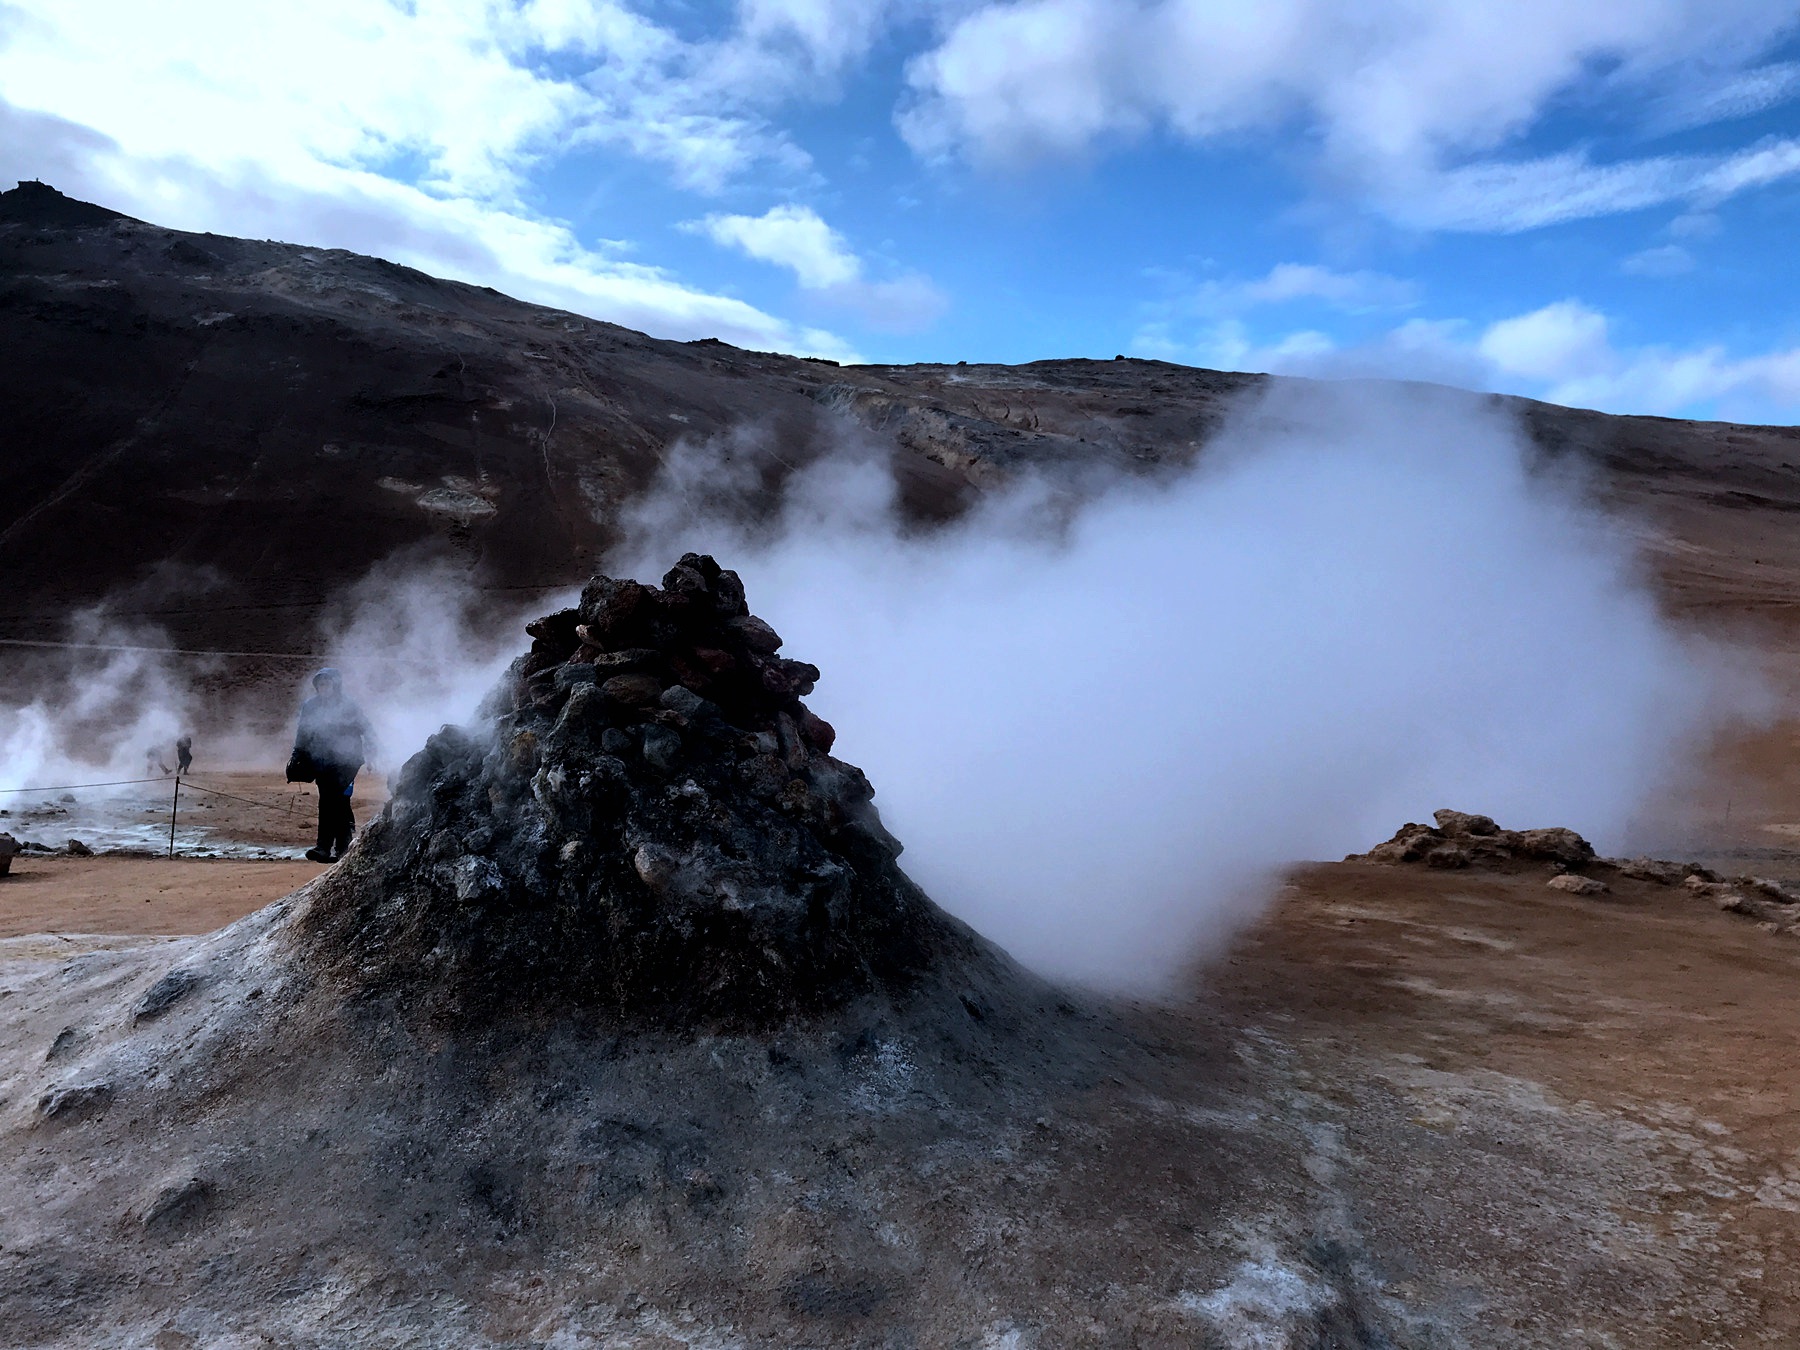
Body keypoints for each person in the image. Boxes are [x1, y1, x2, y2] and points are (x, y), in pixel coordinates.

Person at [292, 668, 372, 864]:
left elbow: (366, 728)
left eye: (327, 684)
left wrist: (374, 752)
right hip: (321, 760)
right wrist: (296, 755)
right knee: (332, 801)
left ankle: (330, 847)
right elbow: (303, 732)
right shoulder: (310, 706)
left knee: (334, 800)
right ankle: (336, 848)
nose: (323, 688)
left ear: (336, 685)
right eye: (320, 684)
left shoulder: (348, 705)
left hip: (348, 760)